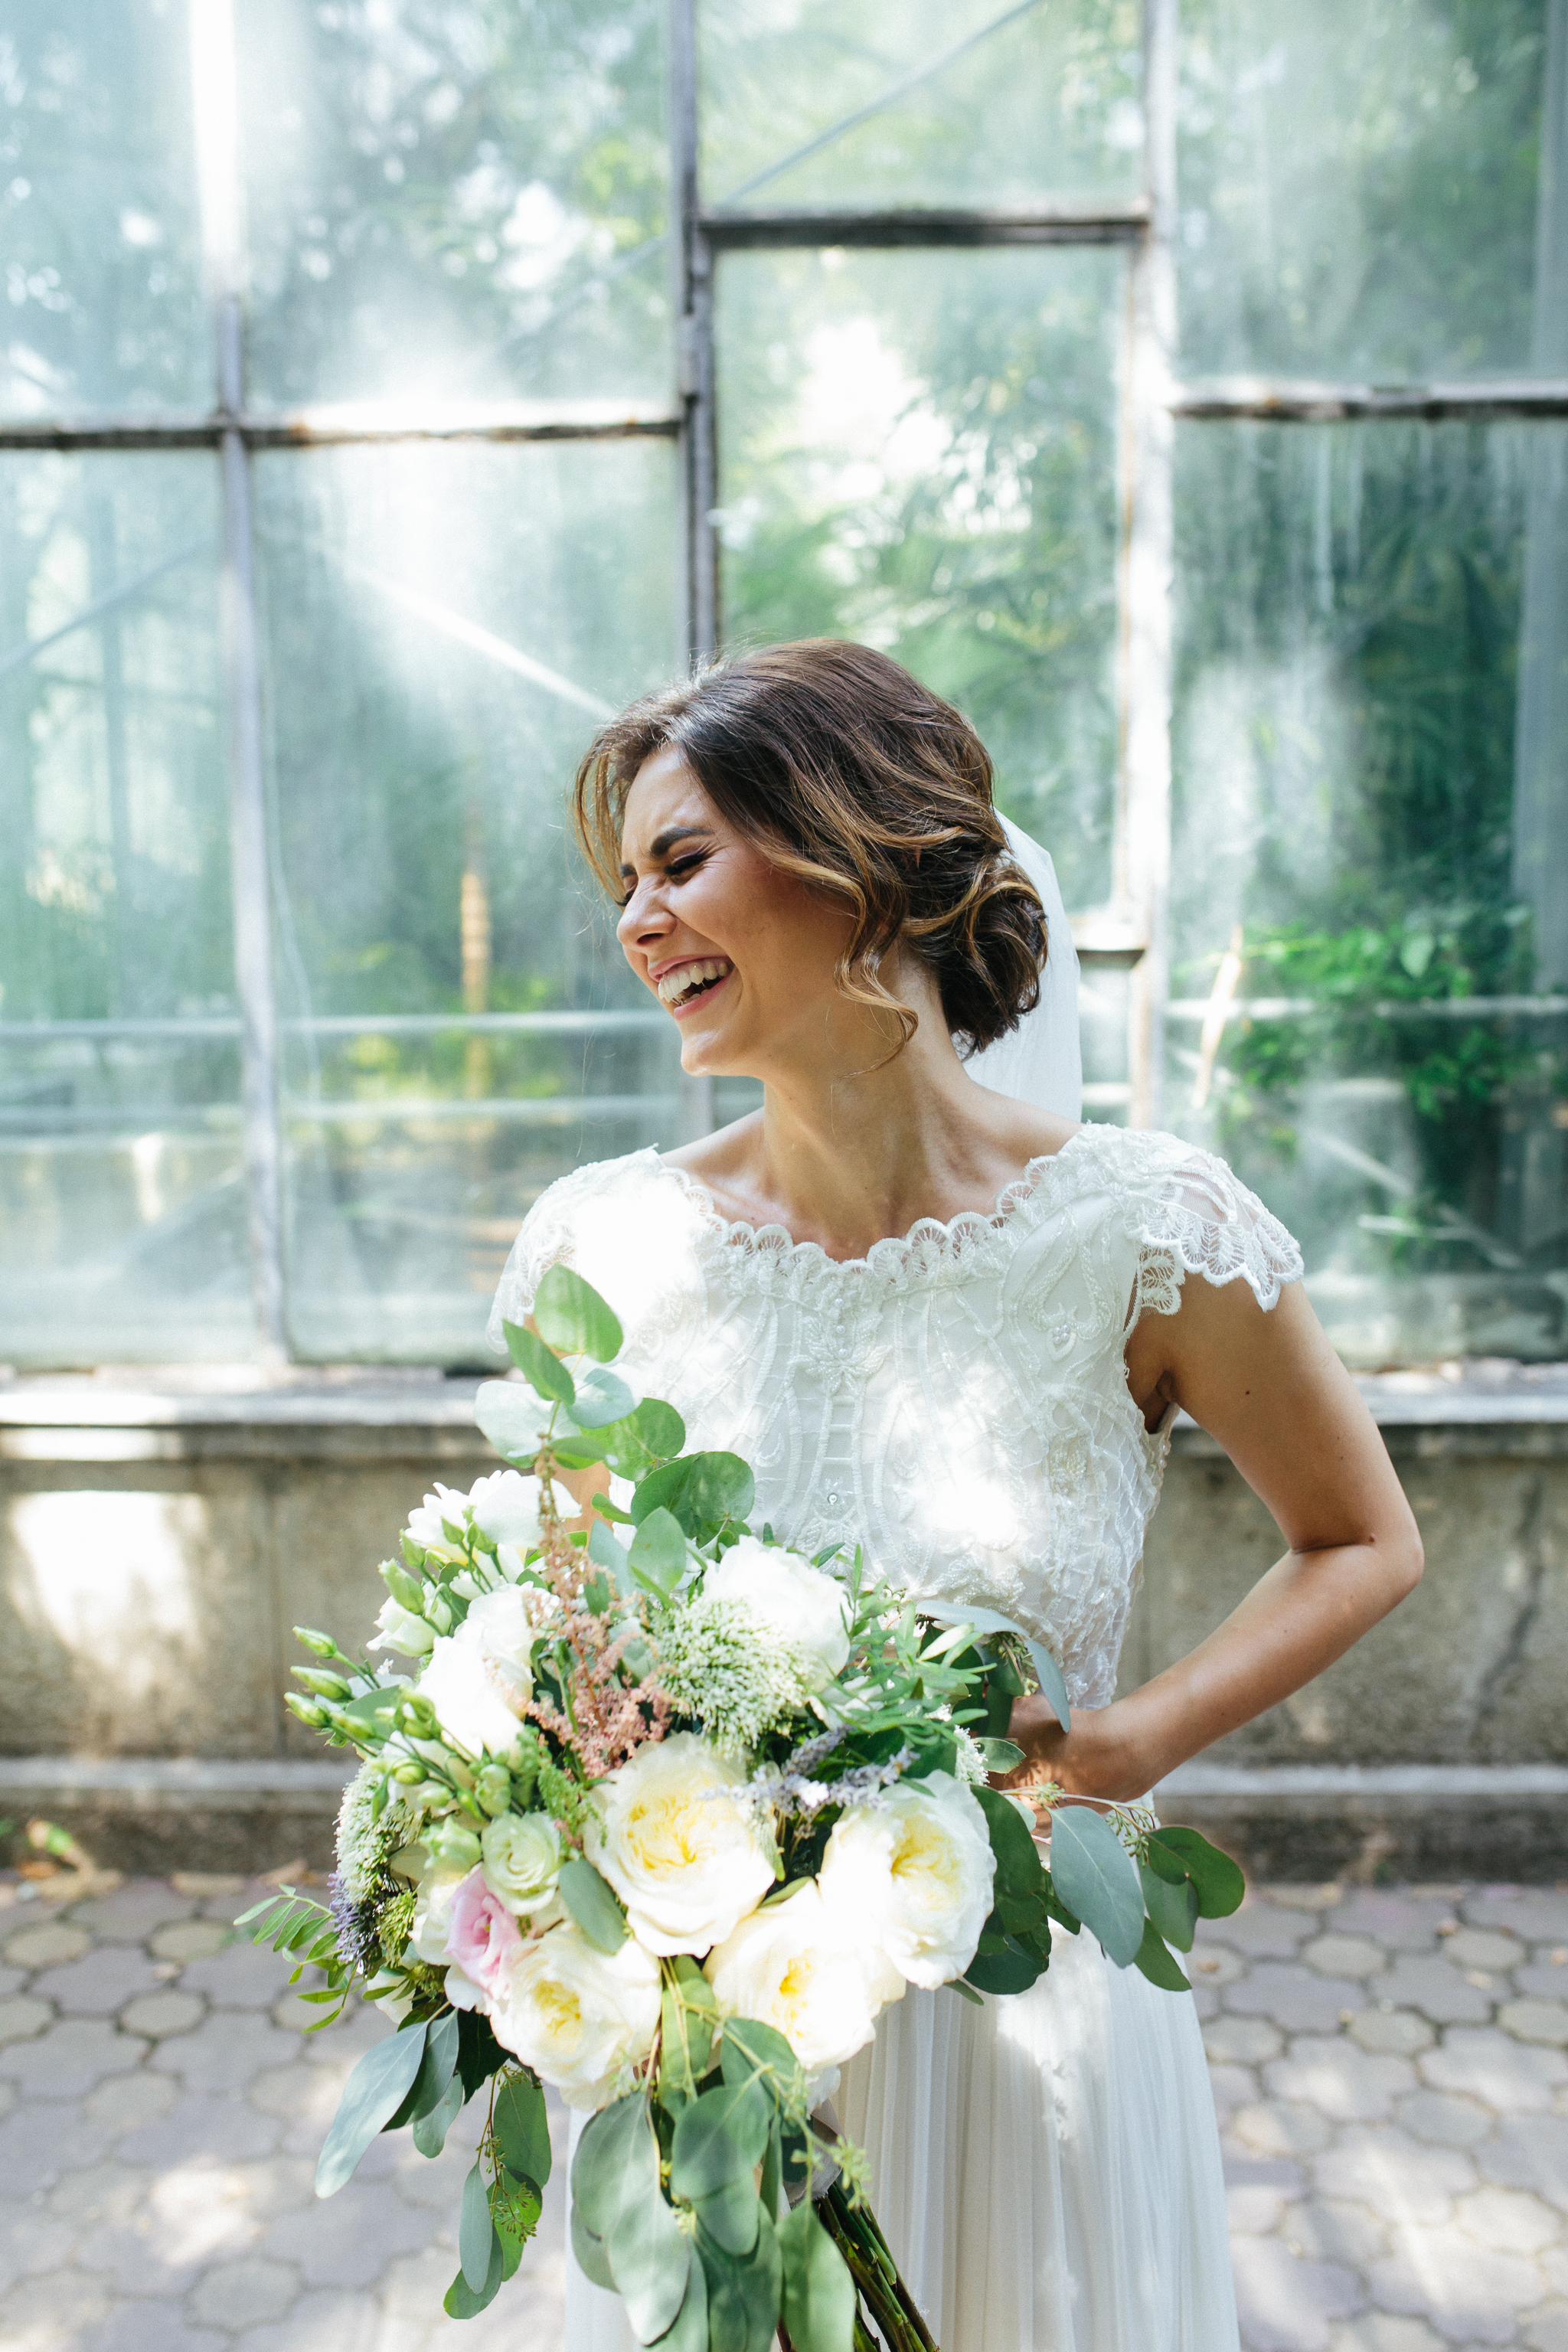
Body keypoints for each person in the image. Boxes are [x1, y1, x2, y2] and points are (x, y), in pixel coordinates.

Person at [488, 639, 1423, 2352]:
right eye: (624, 884)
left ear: (855, 853)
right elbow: (562, 1648)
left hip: (1027, 2015)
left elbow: (1362, 1539)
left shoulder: (1144, 1230)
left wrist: (1125, 1745)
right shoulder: (601, 1249)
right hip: (712, 2043)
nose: (636, 920)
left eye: (680, 861)